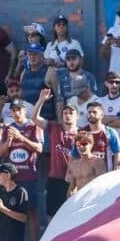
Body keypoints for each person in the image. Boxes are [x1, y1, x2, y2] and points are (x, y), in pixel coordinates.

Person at [0, 98, 43, 241]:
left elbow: (39, 148)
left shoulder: (34, 126)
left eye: (19, 110)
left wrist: (21, 138)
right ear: (10, 112)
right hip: (13, 180)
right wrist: (9, 140)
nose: (16, 113)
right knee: (13, 214)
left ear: (25, 110)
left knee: (32, 214)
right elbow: (1, 152)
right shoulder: (7, 128)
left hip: (29, 177)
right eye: (14, 110)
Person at [31, 88, 77, 219]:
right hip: (55, 178)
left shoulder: (82, 134)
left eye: (71, 113)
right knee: (52, 215)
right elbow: (34, 118)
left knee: (71, 216)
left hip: (74, 180)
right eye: (65, 113)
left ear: (77, 116)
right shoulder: (55, 128)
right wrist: (41, 100)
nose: (68, 115)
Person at [43, 48, 97, 121]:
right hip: (67, 113)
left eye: (74, 59)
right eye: (68, 59)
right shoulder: (62, 76)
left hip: (85, 113)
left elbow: (93, 99)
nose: (71, 62)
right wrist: (60, 122)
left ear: (80, 60)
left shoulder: (88, 76)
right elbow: (59, 100)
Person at [82, 102, 120, 170]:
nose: (91, 114)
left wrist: (116, 166)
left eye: (94, 112)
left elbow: (117, 151)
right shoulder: (82, 133)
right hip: (87, 175)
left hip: (105, 175)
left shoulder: (110, 132)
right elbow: (76, 153)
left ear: (102, 115)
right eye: (89, 112)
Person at [66, 131, 106, 195]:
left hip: (93, 198)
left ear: (91, 145)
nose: (81, 147)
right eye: (79, 144)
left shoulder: (97, 161)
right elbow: (71, 188)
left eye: (84, 144)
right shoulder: (74, 164)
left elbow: (102, 184)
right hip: (79, 200)